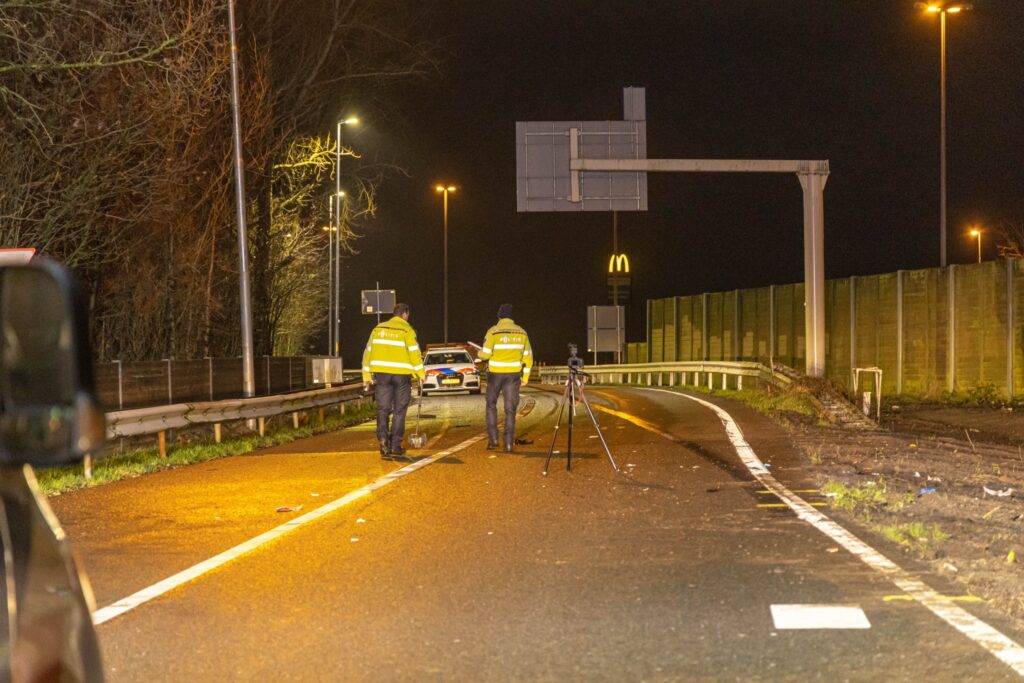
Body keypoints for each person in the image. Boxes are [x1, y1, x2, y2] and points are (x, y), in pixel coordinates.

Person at [361, 303, 425, 458]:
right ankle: (395, 446)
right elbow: (414, 354)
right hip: (401, 376)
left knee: (383, 409)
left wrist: (366, 376)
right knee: (399, 410)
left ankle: (383, 442)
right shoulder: (407, 330)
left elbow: (367, 352)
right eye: (408, 315)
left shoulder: (378, 329)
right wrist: (421, 374)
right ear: (405, 314)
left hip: (382, 375)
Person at [478, 303, 533, 452]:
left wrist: (479, 353)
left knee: (491, 405)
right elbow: (528, 357)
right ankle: (508, 444)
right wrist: (526, 377)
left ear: (499, 317)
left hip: (495, 375)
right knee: (510, 410)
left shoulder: (493, 331)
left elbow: (485, 354)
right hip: (513, 375)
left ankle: (493, 441)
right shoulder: (522, 333)